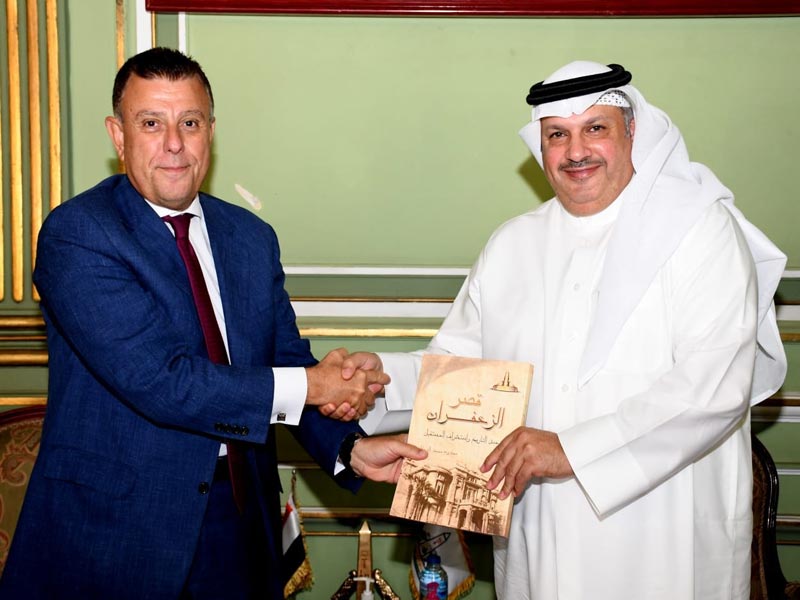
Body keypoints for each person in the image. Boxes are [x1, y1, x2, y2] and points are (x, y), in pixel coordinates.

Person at [337, 61, 787, 599]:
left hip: (663, 528)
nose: (576, 151)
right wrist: (380, 378)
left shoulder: (701, 231)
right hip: (539, 523)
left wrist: (570, 450)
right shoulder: (512, 244)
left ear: (633, 132)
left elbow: (715, 386)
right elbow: (463, 370)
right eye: (557, 135)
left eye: (595, 128)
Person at [0, 47, 424, 600]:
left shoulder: (250, 237)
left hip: (241, 522)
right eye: (151, 123)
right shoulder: (78, 234)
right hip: (116, 534)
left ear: (211, 132)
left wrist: (350, 449)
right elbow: (162, 380)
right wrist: (318, 385)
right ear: (118, 135)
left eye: (190, 123)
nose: (174, 143)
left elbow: (284, 361)